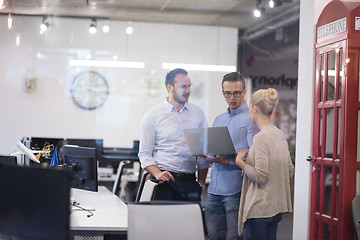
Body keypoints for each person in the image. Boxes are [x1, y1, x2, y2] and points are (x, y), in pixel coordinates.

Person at [138, 68, 209, 203]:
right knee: (163, 224)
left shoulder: (198, 114)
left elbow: (202, 155)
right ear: (169, 87)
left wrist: (200, 183)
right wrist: (158, 173)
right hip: (164, 182)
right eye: (183, 86)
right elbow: (144, 154)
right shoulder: (153, 116)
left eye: (189, 86)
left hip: (190, 183)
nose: (188, 90)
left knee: (190, 224)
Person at [204, 72, 259, 240]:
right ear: (223, 93)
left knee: (234, 237)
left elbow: (255, 157)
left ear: (244, 92)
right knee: (213, 236)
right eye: (227, 93)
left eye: (236, 92)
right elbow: (213, 151)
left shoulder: (251, 118)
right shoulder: (218, 119)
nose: (232, 97)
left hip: (236, 190)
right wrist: (207, 154)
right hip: (214, 189)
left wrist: (228, 161)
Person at [235, 88, 295, 240]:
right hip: (274, 210)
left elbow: (261, 177)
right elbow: (290, 170)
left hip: (259, 210)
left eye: (249, 107)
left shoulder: (260, 138)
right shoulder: (279, 134)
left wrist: (240, 162)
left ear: (254, 107)